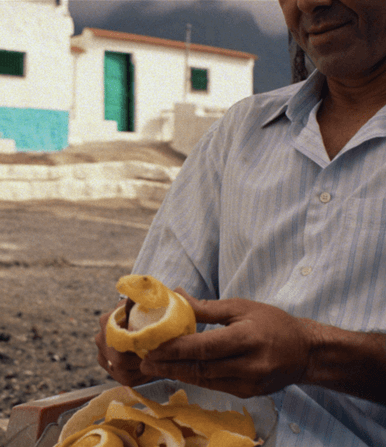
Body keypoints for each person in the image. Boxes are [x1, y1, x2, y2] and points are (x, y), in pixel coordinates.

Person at [95, 1, 386, 445]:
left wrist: (313, 353)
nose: (307, 3)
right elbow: (156, 298)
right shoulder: (239, 133)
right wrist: (131, 340)